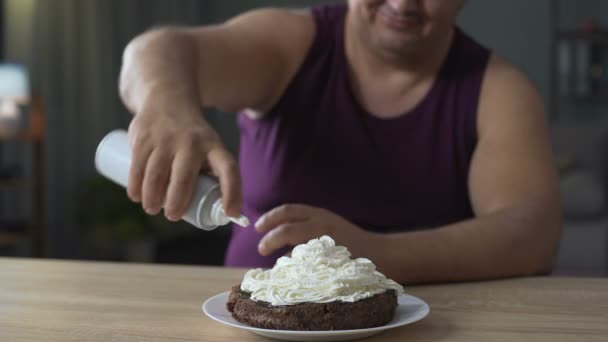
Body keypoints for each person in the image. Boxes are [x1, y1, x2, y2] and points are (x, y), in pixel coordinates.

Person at [118, 0, 561, 284]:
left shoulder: (499, 89)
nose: (403, 3)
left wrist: (373, 255)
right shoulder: (291, 44)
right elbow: (154, 50)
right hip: (253, 328)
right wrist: (167, 103)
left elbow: (532, 233)